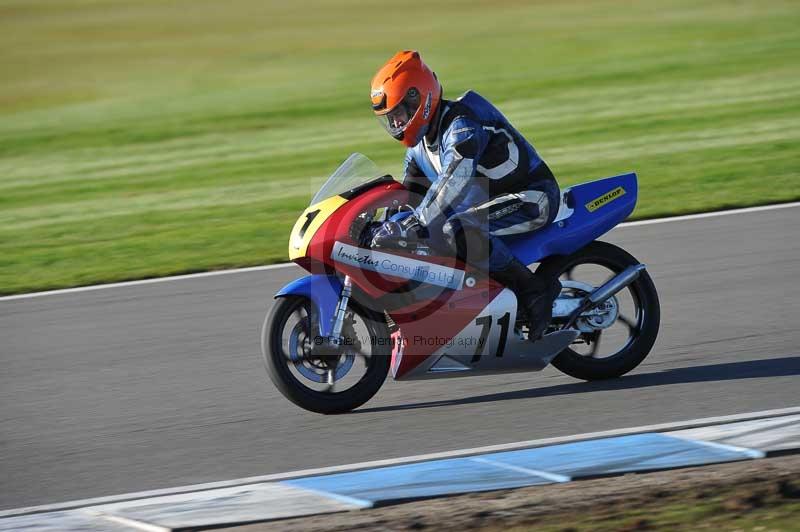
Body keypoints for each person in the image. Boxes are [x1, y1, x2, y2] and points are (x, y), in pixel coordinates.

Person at [362, 50, 562, 340]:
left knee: (456, 229)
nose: (395, 125)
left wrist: (416, 223)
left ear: (418, 100)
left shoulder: (462, 125)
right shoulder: (418, 147)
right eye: (389, 119)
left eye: (398, 115)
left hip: (531, 197)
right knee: (422, 228)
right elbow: (407, 196)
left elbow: (455, 180)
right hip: (487, 206)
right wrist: (381, 228)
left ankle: (534, 292)